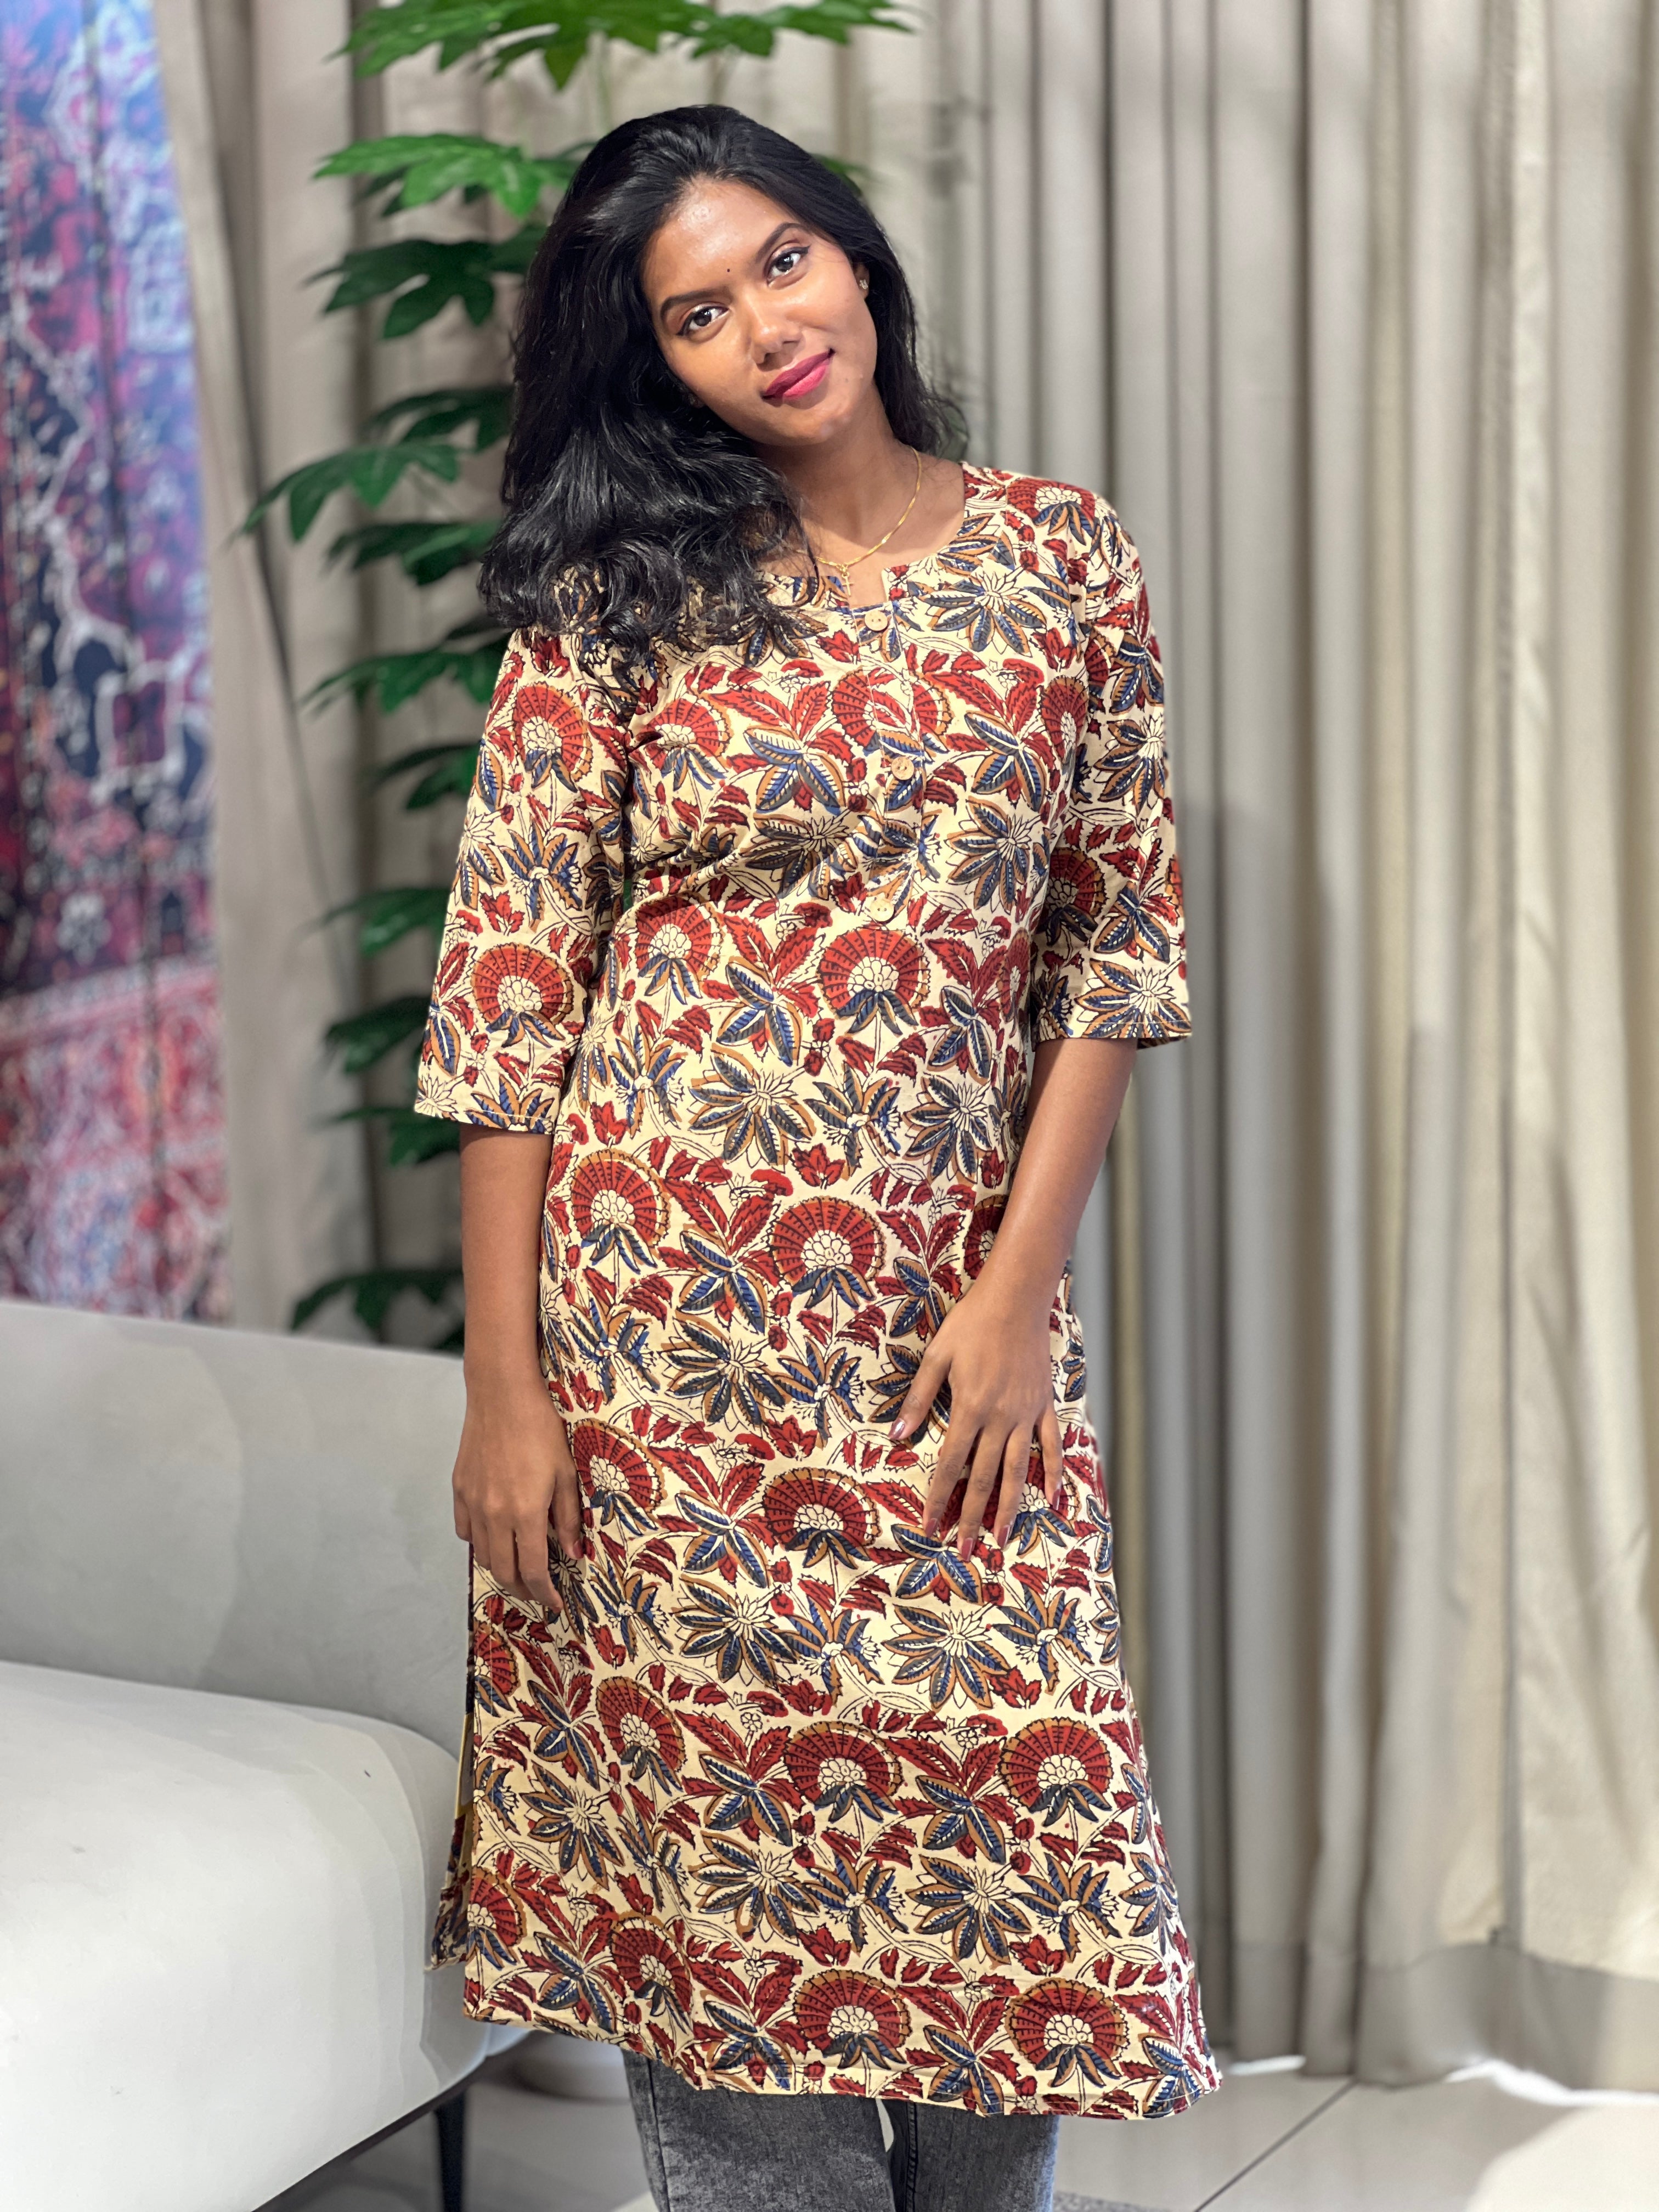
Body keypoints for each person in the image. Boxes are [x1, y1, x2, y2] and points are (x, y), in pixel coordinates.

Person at [412, 102, 1215, 2212]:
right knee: (722, 1925)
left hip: (947, 1339)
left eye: (781, 261)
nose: (765, 326)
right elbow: (509, 1003)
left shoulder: (1064, 557)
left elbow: (1112, 952)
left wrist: (1022, 1294)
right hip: (655, 1370)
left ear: (853, 256)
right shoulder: (620, 599)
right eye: (696, 313)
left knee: (1001, 1877)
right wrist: (505, 1390)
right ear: (656, 363)